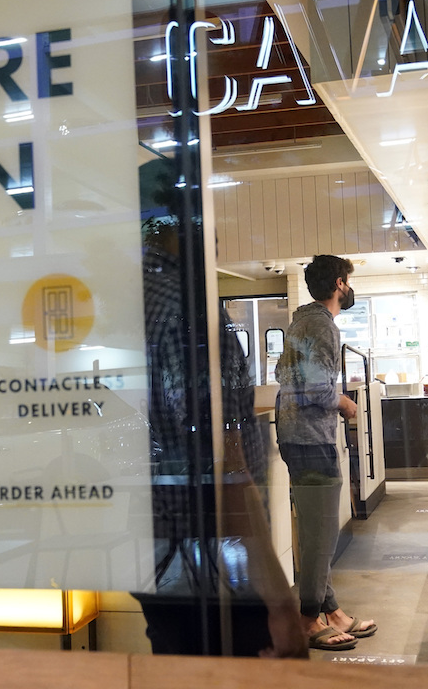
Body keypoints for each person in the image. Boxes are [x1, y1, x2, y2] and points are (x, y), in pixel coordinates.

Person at [134, 158, 305, 659]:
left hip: (153, 555)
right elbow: (224, 461)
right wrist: (277, 597)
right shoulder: (191, 310)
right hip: (214, 562)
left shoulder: (120, 304)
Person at [275, 254, 377, 651]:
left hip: (295, 436)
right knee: (321, 534)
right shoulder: (323, 327)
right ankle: (307, 619)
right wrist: (345, 403)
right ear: (339, 284)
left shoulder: (301, 320)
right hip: (311, 439)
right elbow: (315, 390)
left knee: (319, 529)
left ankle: (331, 609)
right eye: (348, 282)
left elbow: (289, 379)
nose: (349, 289)